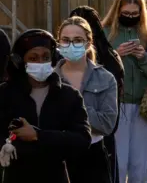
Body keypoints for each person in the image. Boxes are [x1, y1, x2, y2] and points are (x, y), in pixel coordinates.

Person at [0, 29, 91, 183]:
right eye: (33, 58)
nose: (40, 62)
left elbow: (82, 139)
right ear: (21, 61)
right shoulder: (5, 95)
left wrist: (38, 136)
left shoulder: (69, 96)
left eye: (45, 57)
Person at [103, 0, 147, 183]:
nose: (130, 16)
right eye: (125, 13)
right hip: (115, 104)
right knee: (118, 161)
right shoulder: (105, 35)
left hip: (143, 105)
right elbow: (97, 68)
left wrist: (143, 57)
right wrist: (115, 56)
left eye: (134, 14)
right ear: (117, 11)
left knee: (141, 163)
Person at [56, 16, 118, 183]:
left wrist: (73, 109)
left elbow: (107, 124)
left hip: (93, 156)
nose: (71, 45)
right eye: (66, 40)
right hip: (56, 155)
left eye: (77, 40)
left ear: (88, 43)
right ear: (59, 43)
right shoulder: (49, 78)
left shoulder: (106, 79)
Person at [69, 6, 124, 183]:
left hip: (98, 143)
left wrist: (77, 109)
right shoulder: (55, 72)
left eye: (78, 39)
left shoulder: (107, 68)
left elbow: (108, 122)